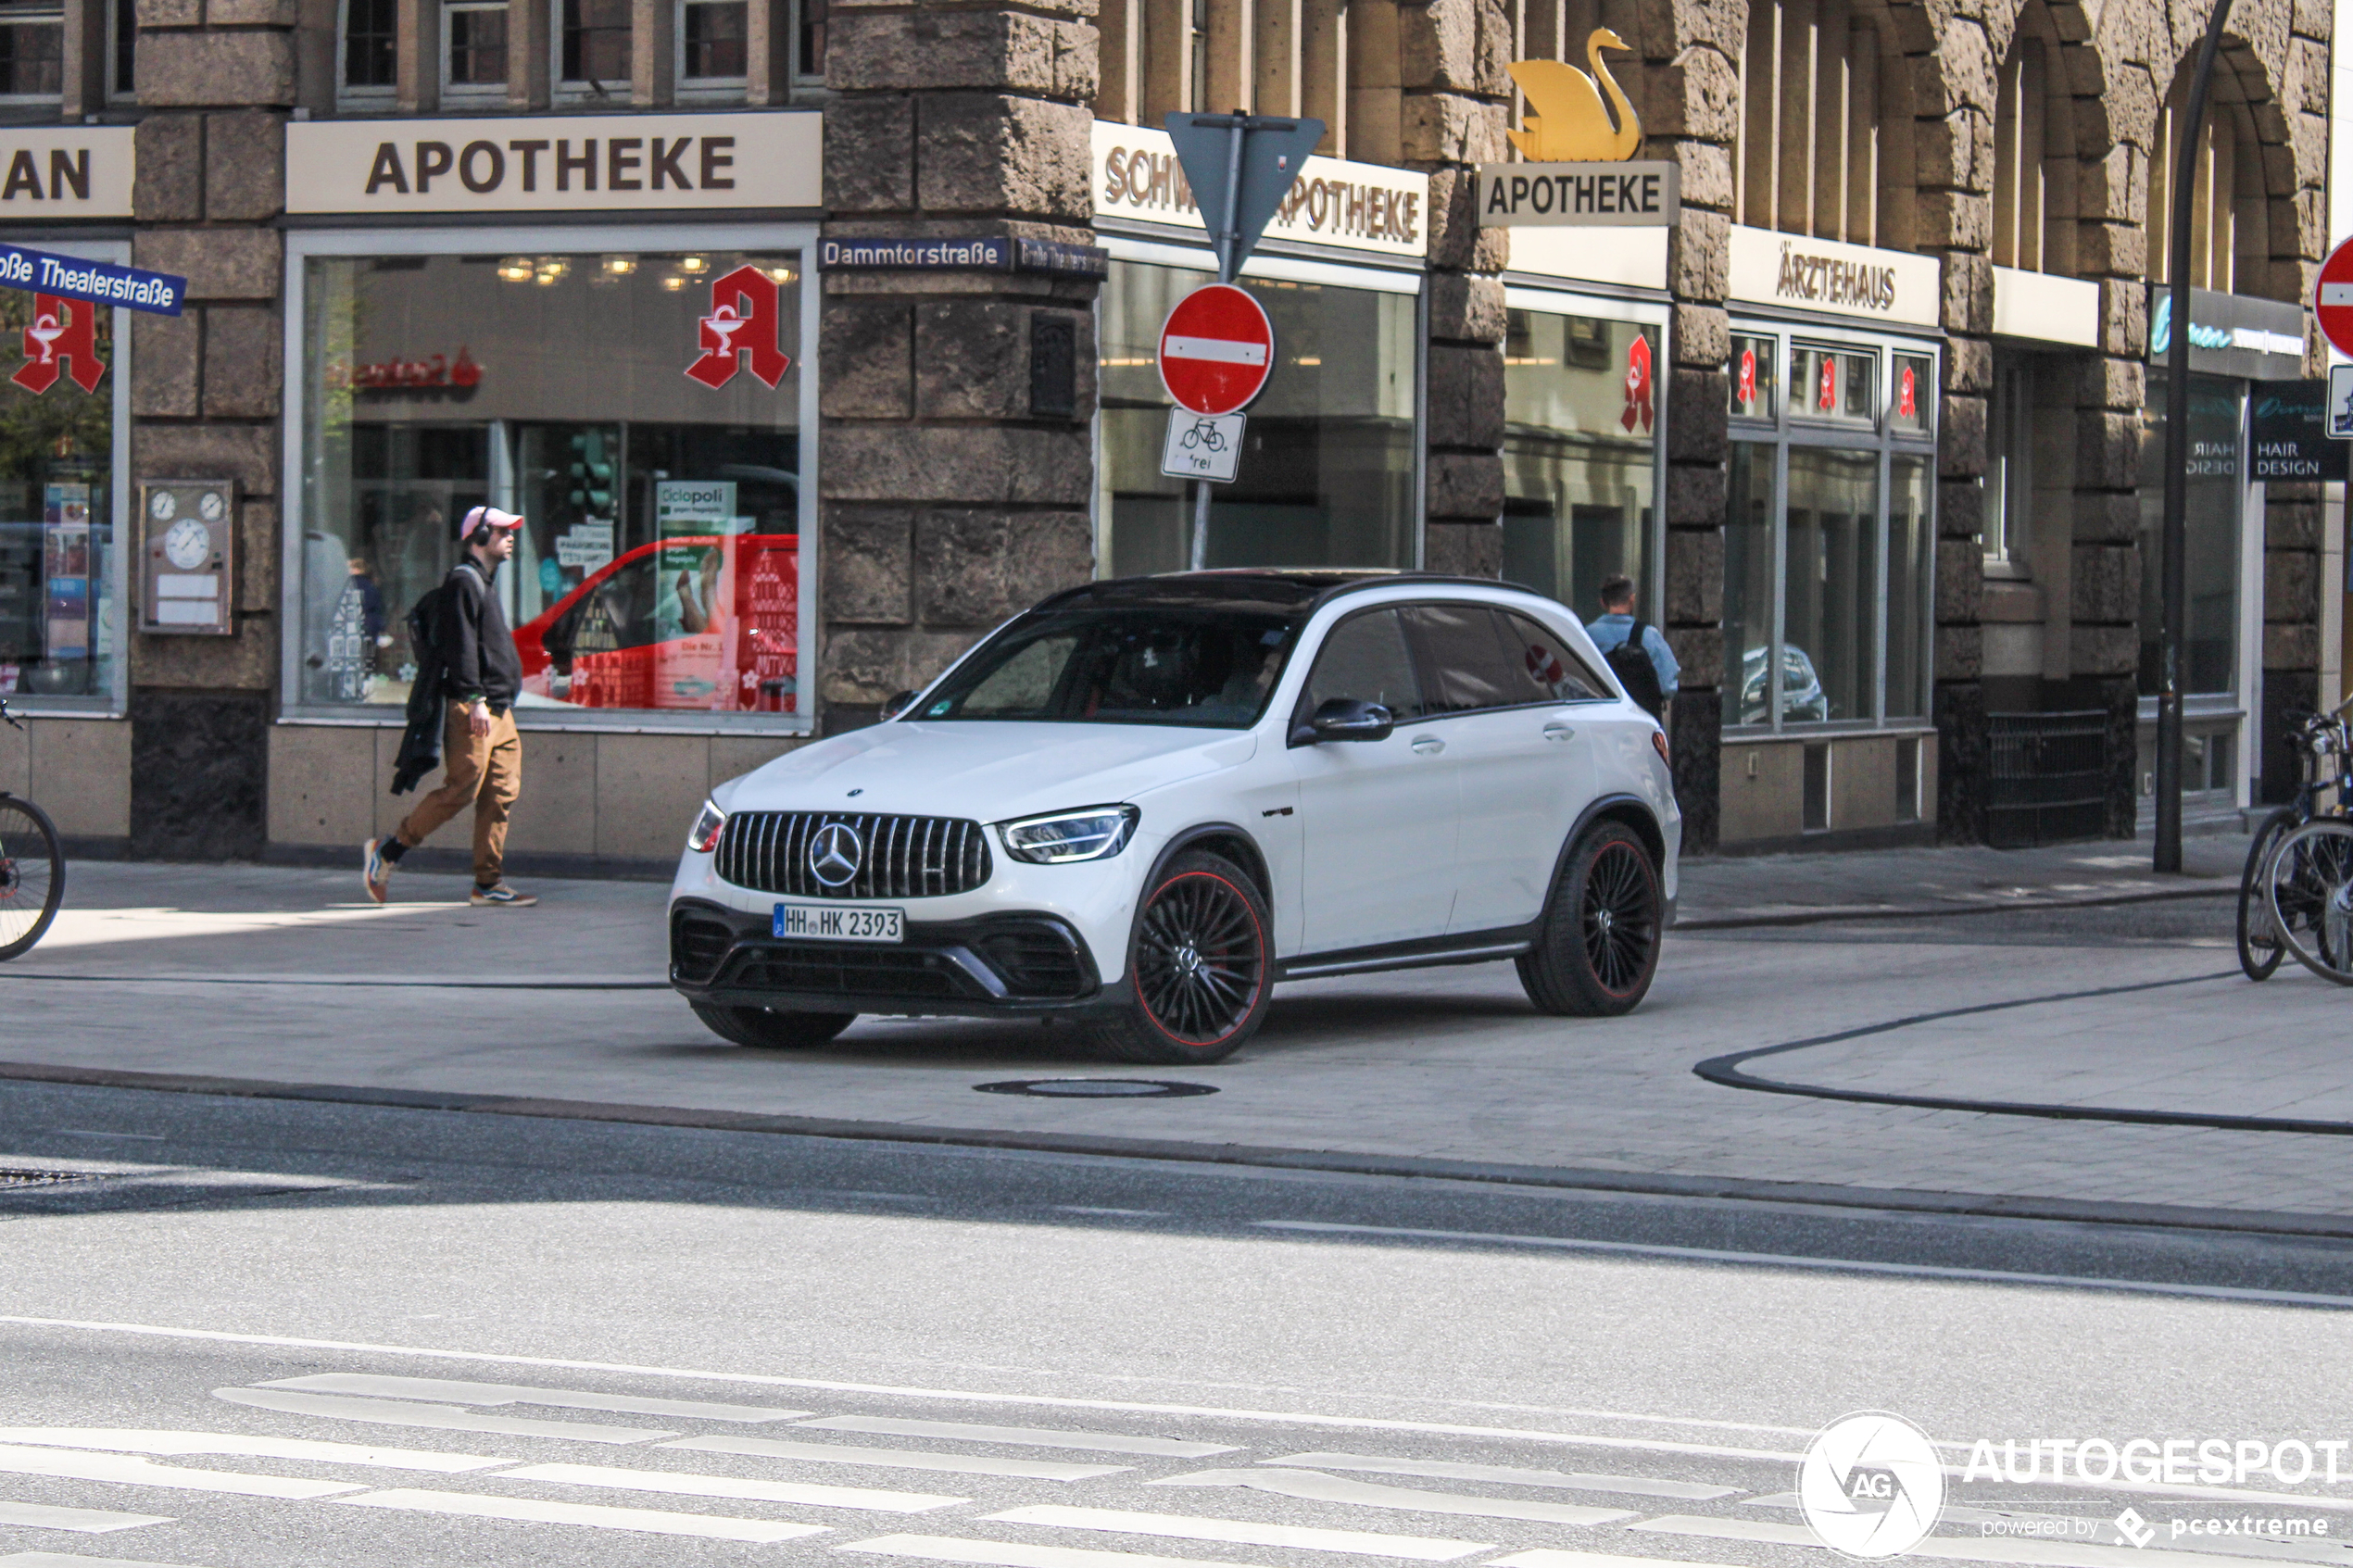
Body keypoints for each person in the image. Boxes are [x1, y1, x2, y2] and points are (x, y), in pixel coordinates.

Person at [363, 507, 538, 908]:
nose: (511, 538)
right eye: (503, 531)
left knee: (501, 793)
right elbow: (461, 647)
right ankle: (388, 851)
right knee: (461, 789)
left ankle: (487, 883)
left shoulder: (484, 582)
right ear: (479, 535)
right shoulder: (463, 582)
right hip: (474, 709)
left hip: (500, 710)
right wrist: (474, 699)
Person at [1586, 572, 1679, 721]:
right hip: (1643, 722)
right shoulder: (1649, 635)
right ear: (1632, 599)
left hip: (1601, 722)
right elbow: (1668, 686)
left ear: (1603, 602)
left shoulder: (1588, 636)